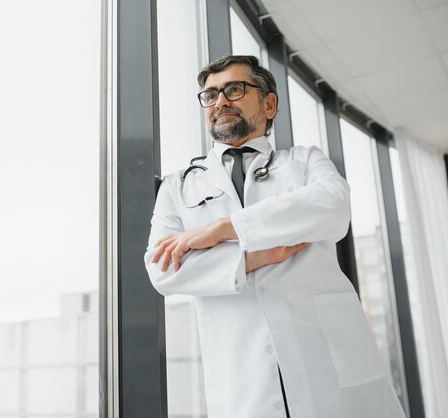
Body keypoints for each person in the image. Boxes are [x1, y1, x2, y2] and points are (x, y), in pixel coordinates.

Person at [144, 55, 405, 418]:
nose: (220, 101)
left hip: (327, 359)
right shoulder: (179, 185)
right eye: (210, 95)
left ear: (269, 104)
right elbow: (162, 269)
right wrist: (256, 257)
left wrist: (222, 229)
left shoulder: (304, 161)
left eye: (234, 90)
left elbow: (333, 207)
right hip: (242, 374)